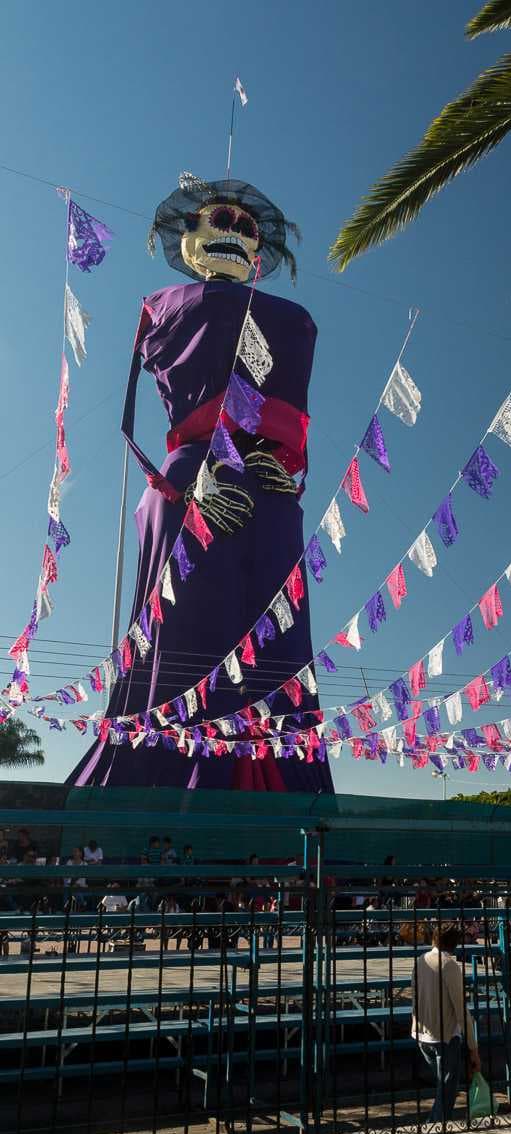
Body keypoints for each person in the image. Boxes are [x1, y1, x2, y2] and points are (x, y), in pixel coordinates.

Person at [66, 173, 334, 794]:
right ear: (190, 238)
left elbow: (293, 412)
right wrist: (181, 484)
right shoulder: (165, 307)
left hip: (270, 484)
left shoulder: (293, 320)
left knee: (275, 634)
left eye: (247, 226)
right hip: (189, 478)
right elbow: (136, 419)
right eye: (221, 219)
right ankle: (154, 776)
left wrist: (286, 466)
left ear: (260, 250)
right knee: (182, 625)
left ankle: (283, 782)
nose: (234, 231)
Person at [411, 923, 480, 1123]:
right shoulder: (448, 964)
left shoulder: (420, 960)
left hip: (422, 1032)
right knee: (448, 1087)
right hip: (445, 1034)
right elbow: (461, 1009)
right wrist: (473, 1048)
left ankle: (435, 1123)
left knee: (445, 1085)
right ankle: (434, 1125)